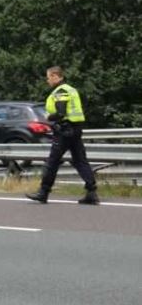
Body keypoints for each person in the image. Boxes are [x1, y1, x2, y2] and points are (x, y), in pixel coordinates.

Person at [26, 66, 99, 205]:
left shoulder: (60, 91)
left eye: (48, 77)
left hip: (64, 130)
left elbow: (60, 112)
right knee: (80, 161)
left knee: (52, 162)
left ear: (55, 76)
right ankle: (91, 192)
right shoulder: (71, 89)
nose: (48, 81)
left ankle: (43, 192)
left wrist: (49, 118)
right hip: (76, 129)